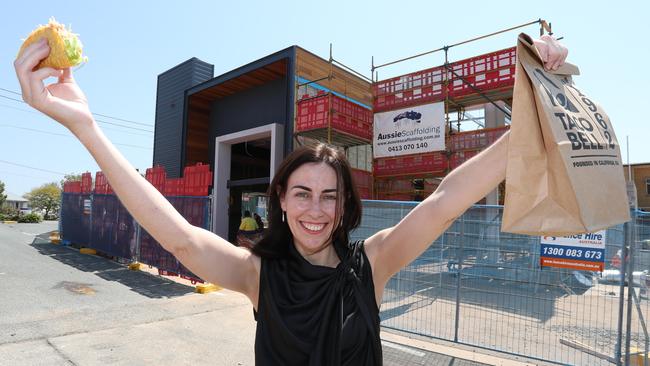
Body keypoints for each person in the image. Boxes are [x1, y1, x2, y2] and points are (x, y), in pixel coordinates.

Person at [14, 35, 567, 365]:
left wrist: (534, 104)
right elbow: (179, 237)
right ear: (280, 200)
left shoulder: (372, 264)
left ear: (345, 205)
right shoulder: (260, 275)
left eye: (330, 196)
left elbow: (448, 198)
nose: (316, 209)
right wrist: (85, 128)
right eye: (302, 194)